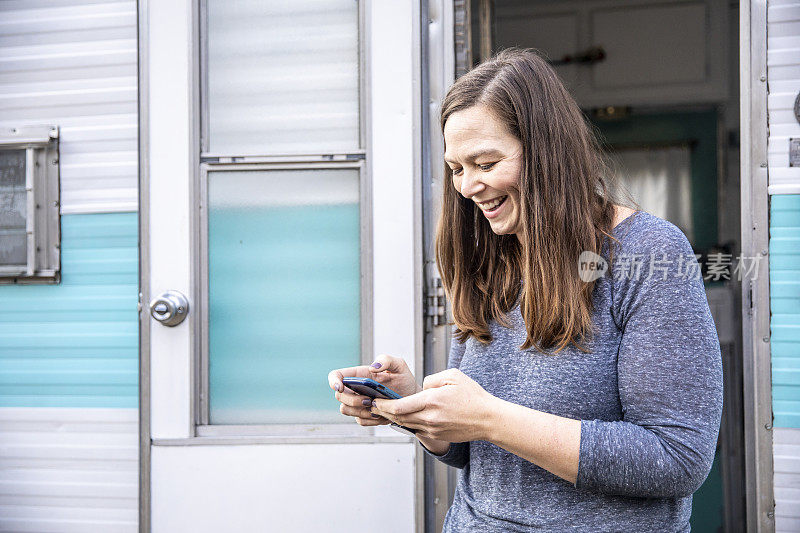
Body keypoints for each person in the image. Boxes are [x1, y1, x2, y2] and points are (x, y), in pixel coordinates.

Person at [328, 48, 722, 532]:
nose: (469, 186)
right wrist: (415, 408)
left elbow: (677, 459)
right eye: (456, 168)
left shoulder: (648, 253)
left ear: (547, 151)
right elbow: (475, 453)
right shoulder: (490, 257)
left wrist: (490, 417)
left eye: (486, 162)